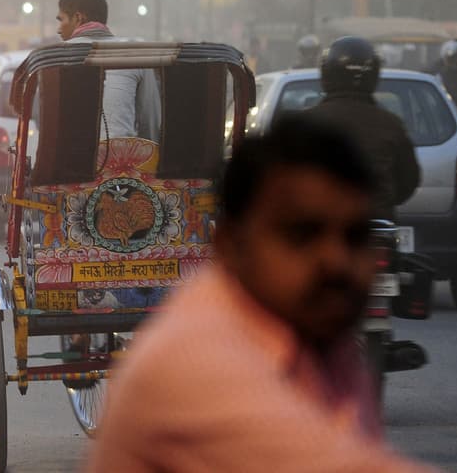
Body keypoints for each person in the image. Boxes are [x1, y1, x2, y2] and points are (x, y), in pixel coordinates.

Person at [88, 114, 436, 472]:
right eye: (301, 235)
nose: (336, 261)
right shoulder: (194, 358)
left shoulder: (322, 335)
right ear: (232, 246)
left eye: (356, 236)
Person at [308, 37, 421, 220]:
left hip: (321, 224)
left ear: (327, 73)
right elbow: (408, 181)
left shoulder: (305, 123)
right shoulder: (390, 123)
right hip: (376, 222)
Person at [56, 0, 161, 141]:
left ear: (78, 18)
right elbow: (150, 125)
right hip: (121, 161)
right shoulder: (135, 57)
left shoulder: (54, 58)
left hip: (69, 161)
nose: (58, 29)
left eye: (61, 19)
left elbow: (41, 117)